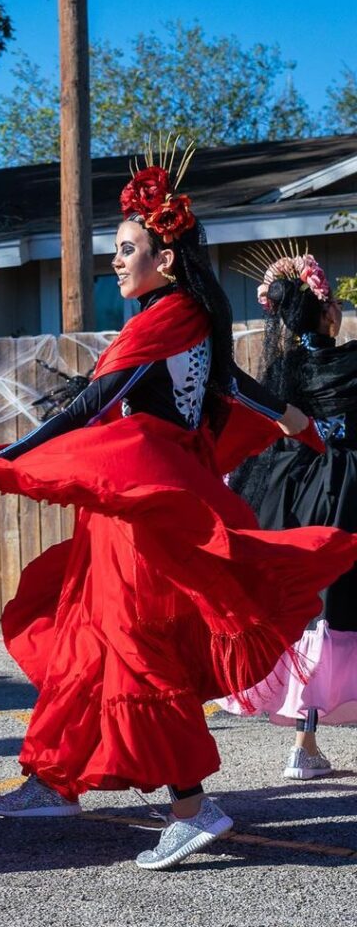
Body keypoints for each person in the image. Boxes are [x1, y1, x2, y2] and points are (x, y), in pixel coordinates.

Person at [0, 141, 357, 870]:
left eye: (127, 249)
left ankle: (193, 808)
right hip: (144, 499)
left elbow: (98, 403)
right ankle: (55, 780)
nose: (117, 262)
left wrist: (10, 457)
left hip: (143, 508)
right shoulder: (191, 315)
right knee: (86, 638)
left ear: (164, 257)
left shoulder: (166, 316)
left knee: (133, 652)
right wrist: (295, 420)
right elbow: (232, 391)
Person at [220, 247, 357, 778]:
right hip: (342, 492)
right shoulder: (350, 361)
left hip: (284, 489)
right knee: (337, 604)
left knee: (306, 608)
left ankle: (306, 744)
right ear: (326, 312)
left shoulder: (281, 368)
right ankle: (305, 745)